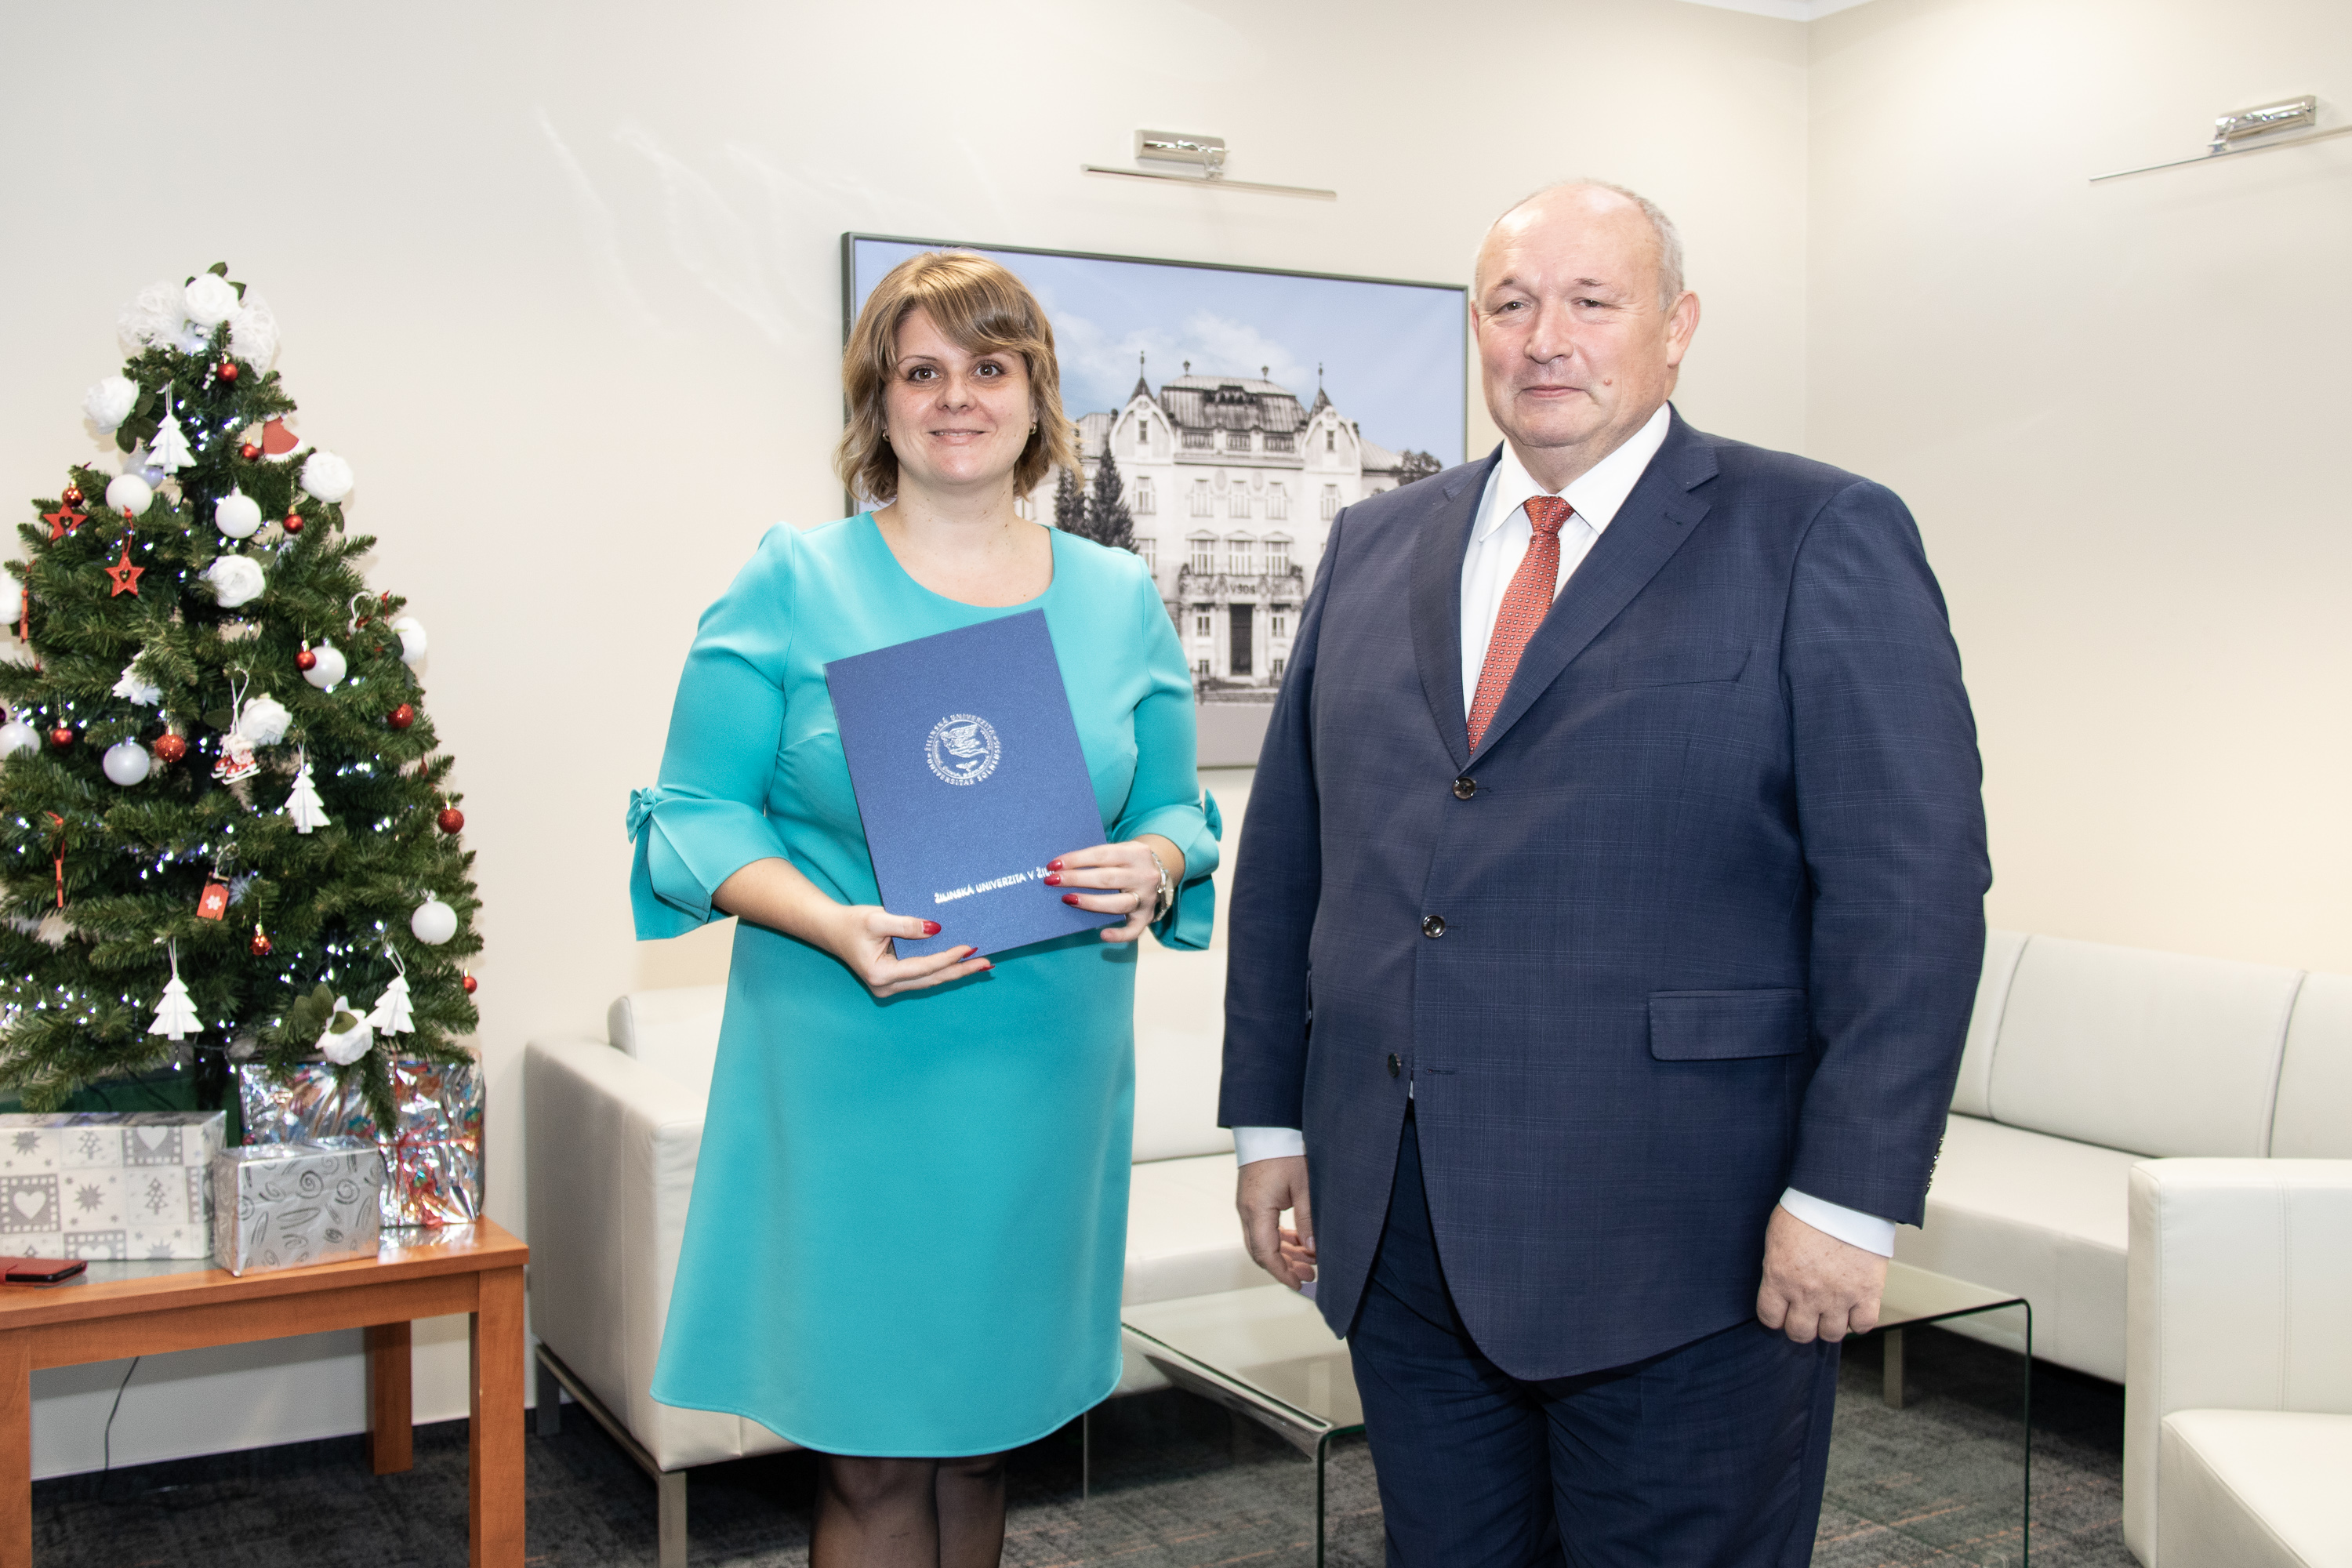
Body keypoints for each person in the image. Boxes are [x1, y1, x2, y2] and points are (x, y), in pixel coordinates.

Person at [1220, 181, 1989, 1566]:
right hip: (1405, 1232)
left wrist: (1848, 1195)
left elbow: (1911, 894)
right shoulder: (1374, 541)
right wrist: (1270, 1120)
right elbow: (1292, 856)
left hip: (1691, 1242)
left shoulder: (1816, 531)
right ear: (1478, 328)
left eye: (1592, 300)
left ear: (1676, 326)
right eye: (1513, 304)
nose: (1547, 338)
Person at [627, 250, 1220, 1568]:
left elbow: (1179, 813)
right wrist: (831, 923)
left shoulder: (1117, 596)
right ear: (878, 403)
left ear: (1037, 395)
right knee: (877, 1456)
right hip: (854, 1059)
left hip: (1043, 1075)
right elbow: (694, 813)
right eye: (922, 370)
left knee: (983, 1441)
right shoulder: (795, 580)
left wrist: (1154, 863)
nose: (958, 396)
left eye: (989, 367)